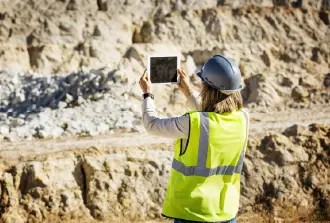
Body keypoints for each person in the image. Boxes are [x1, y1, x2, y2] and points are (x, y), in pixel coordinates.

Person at [139, 55, 249, 223]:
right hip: (225, 212)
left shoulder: (194, 123)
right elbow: (213, 112)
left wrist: (147, 94)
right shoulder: (243, 119)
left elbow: (152, 125)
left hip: (193, 213)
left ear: (208, 89)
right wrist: (186, 89)